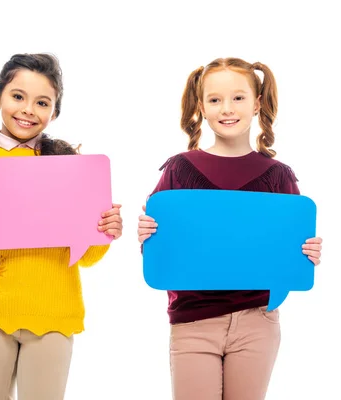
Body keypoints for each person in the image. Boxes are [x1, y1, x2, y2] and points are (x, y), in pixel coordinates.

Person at [0, 53, 123, 400]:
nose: (28, 109)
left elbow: (87, 257)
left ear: (54, 112)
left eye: (42, 102)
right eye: (18, 96)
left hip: (52, 313)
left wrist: (104, 230)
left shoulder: (68, 167)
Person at [137, 57, 323, 400]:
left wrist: (307, 253)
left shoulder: (279, 176)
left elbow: (291, 251)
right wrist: (147, 235)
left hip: (258, 321)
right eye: (215, 99)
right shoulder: (179, 170)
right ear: (202, 108)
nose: (227, 108)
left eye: (238, 97)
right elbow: (161, 251)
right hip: (193, 320)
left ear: (257, 104)